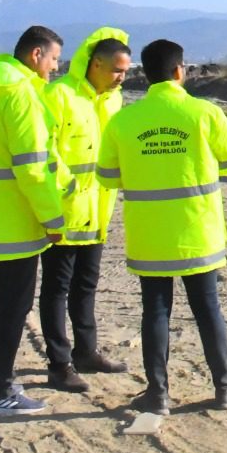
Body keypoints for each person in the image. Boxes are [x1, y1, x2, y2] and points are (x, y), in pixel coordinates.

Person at [98, 39, 227, 415]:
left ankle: (158, 394)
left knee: (155, 311)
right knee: (208, 309)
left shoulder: (124, 121)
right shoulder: (204, 112)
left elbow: (108, 177)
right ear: (180, 70)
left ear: (145, 74)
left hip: (150, 236)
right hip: (198, 231)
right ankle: (225, 388)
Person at [0, 25, 67, 417]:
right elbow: (33, 169)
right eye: (54, 58)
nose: (55, 68)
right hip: (16, 220)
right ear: (37, 54)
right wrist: (53, 218)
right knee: (13, 307)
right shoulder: (22, 95)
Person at [39, 28, 132, 392]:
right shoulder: (58, 95)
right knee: (57, 288)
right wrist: (70, 189)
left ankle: (86, 351)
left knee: (86, 284)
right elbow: (45, 151)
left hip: (98, 212)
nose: (121, 78)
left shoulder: (114, 100)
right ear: (95, 64)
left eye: (125, 71)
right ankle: (59, 364)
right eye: (116, 71)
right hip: (63, 212)